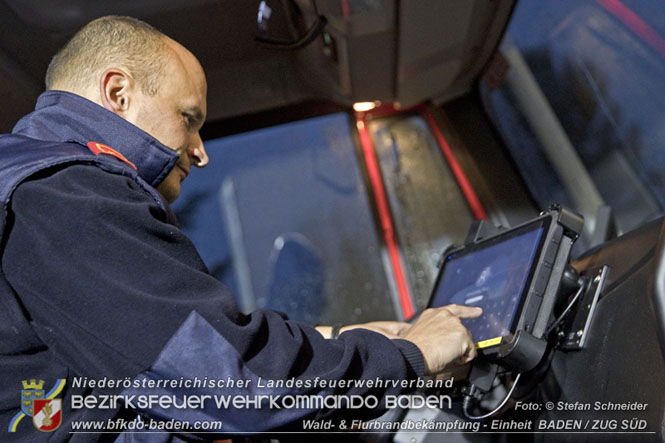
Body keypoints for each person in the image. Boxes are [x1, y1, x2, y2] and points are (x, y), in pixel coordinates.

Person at [0, 16, 481, 441]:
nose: (200, 151)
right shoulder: (63, 193)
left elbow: (144, 383)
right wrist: (411, 356)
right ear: (118, 93)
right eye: (188, 119)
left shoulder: (35, 187)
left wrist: (337, 339)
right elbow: (235, 389)